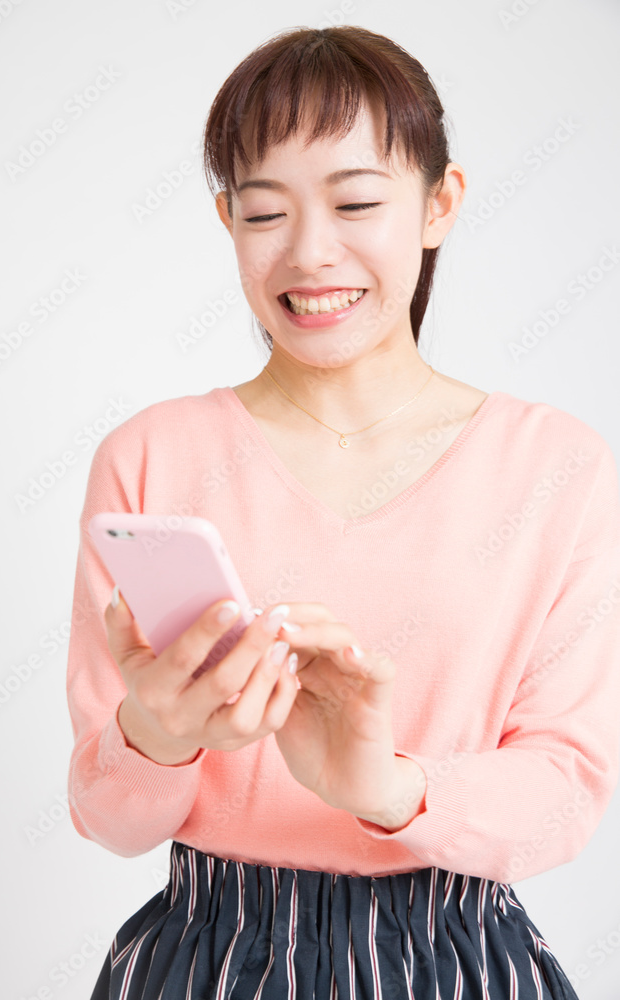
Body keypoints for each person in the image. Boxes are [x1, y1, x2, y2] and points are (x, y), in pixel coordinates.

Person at [66, 25, 620, 1000]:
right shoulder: (149, 456)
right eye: (264, 212)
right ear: (226, 219)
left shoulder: (557, 466)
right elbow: (110, 819)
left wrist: (387, 785)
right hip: (205, 959)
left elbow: (566, 793)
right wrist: (156, 730)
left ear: (439, 203)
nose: (309, 253)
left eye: (356, 202)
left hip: (457, 960)